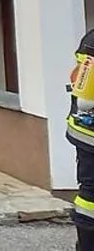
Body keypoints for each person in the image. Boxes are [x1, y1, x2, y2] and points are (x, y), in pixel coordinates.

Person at [68, 28, 94, 250]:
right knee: (90, 198)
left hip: (85, 132)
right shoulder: (93, 44)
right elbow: (86, 102)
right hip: (89, 136)